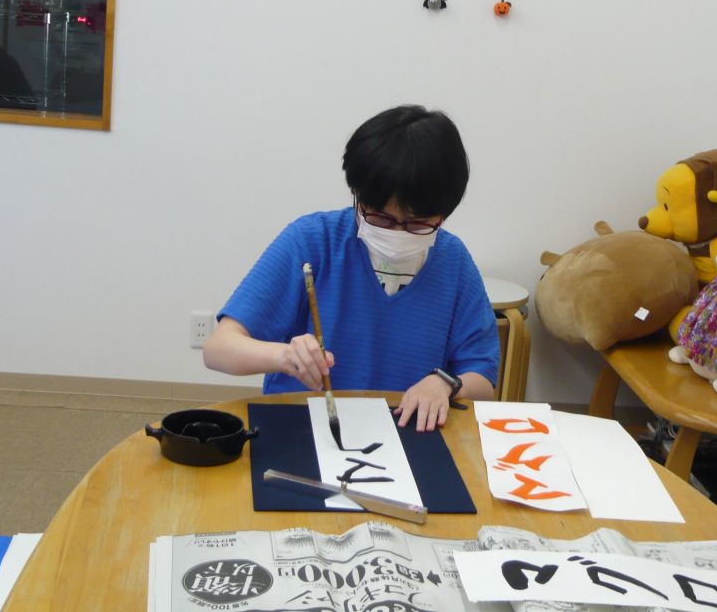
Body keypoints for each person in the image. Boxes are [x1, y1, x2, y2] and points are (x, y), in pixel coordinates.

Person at [204, 104, 499, 431]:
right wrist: (283, 356)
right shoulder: (312, 242)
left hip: (408, 434)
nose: (396, 233)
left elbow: (483, 379)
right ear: (358, 196)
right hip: (305, 428)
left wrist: (445, 383)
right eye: (380, 218)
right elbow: (218, 349)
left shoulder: (453, 262)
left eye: (417, 224)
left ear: (443, 213)